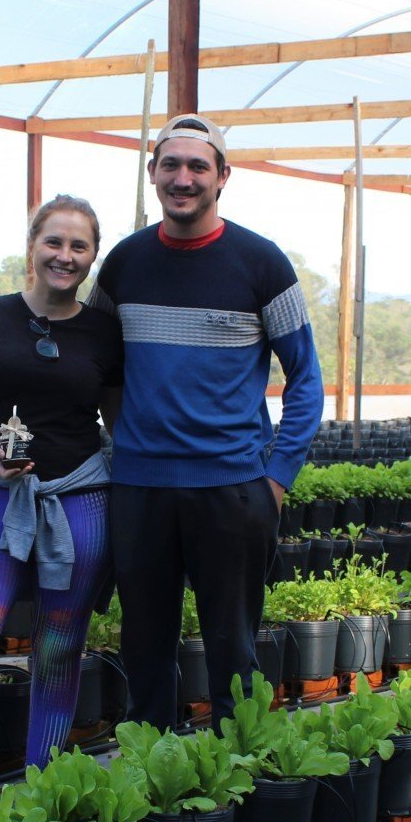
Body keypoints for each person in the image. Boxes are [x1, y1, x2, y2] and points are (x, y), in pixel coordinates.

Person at [89, 114, 323, 726]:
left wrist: (275, 481)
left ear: (223, 177)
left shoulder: (262, 264)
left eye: (198, 166)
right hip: (140, 489)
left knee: (234, 650)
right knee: (143, 645)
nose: (184, 178)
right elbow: (99, 366)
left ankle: (234, 775)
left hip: (232, 488)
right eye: (171, 165)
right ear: (153, 174)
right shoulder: (123, 264)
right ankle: (150, 772)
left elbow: (307, 379)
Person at [0, 195, 121, 779]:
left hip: (80, 502)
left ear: (91, 258)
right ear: (32, 246)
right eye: (53, 242)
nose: (64, 255)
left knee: (59, 657)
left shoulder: (104, 333)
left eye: (78, 246)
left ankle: (43, 796)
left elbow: (119, 418)